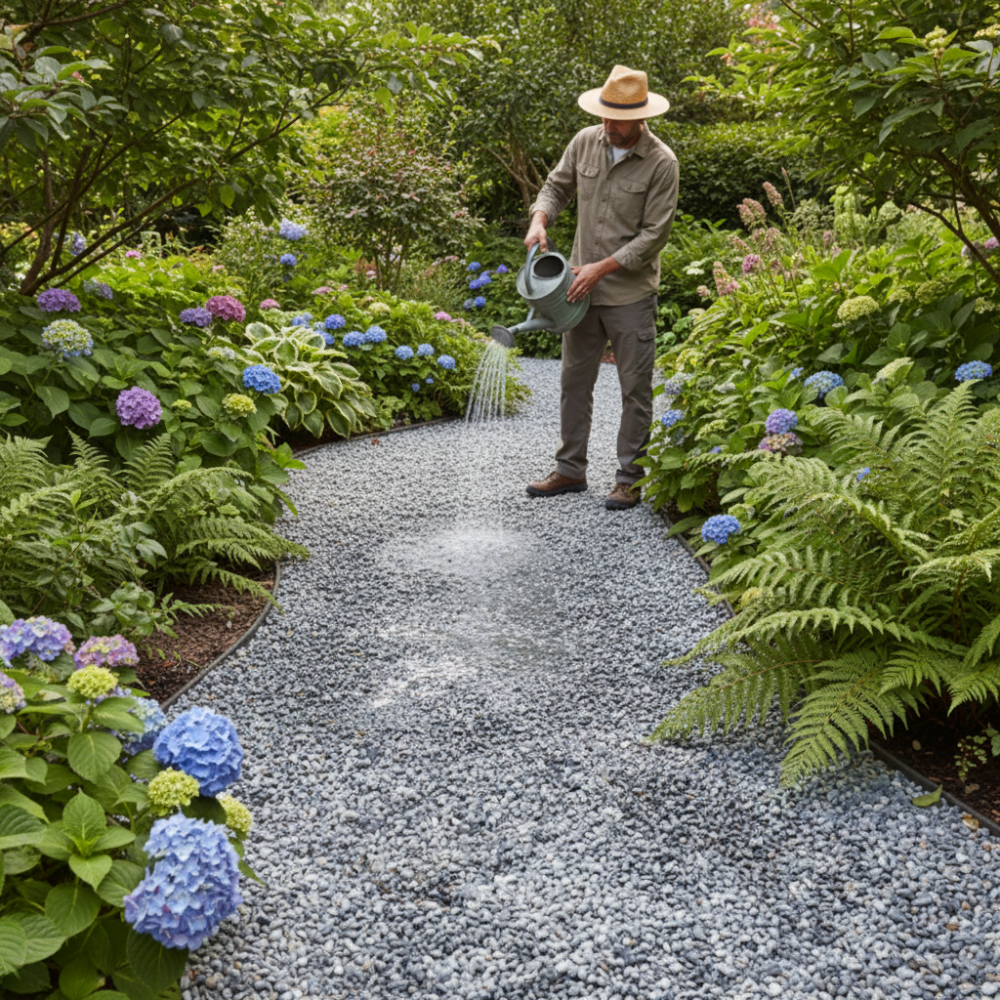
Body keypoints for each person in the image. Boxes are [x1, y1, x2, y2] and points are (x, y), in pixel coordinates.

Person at [524, 64, 679, 510]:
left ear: (642, 117)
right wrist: (539, 220)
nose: (609, 126)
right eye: (605, 116)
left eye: (619, 120)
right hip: (578, 291)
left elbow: (654, 236)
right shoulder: (585, 142)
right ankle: (570, 470)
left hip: (629, 295)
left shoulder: (662, 163)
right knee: (574, 382)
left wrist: (601, 268)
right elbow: (555, 188)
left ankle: (630, 478)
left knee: (635, 388)